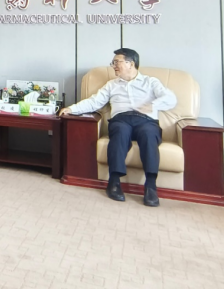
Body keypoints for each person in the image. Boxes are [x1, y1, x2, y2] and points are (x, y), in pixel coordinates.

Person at [60, 48, 177, 207]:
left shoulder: (151, 82)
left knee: (149, 134)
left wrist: (152, 106)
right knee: (120, 132)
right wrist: (71, 109)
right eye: (113, 63)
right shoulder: (111, 85)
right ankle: (114, 182)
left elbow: (170, 98)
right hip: (121, 120)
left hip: (146, 120)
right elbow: (94, 102)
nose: (114, 66)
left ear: (130, 64)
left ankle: (151, 186)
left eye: (117, 62)